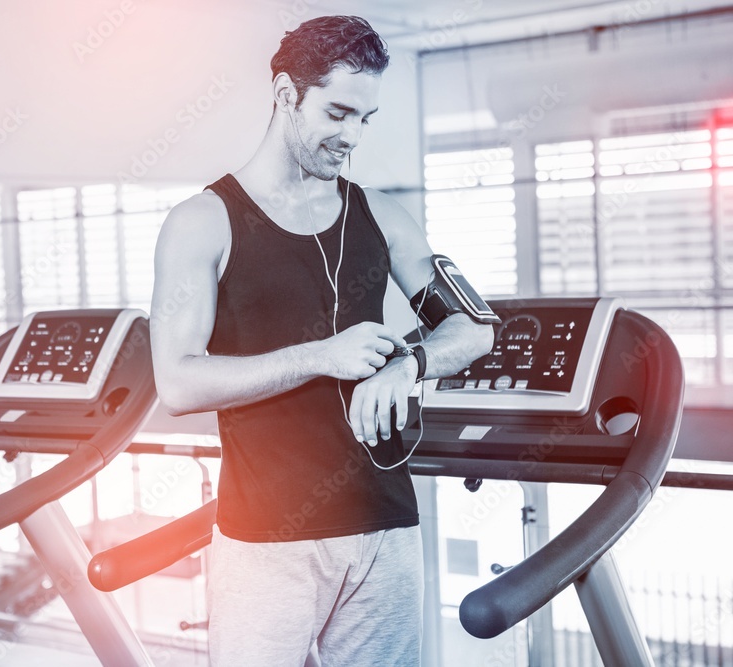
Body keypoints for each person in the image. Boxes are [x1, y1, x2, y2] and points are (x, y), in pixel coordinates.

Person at [149, 15, 494, 666]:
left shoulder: (382, 216)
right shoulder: (204, 223)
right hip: (265, 541)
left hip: (384, 527)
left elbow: (473, 326)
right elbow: (178, 380)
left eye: (366, 118)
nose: (353, 137)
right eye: (338, 113)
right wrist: (319, 356)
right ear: (286, 93)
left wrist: (409, 365)